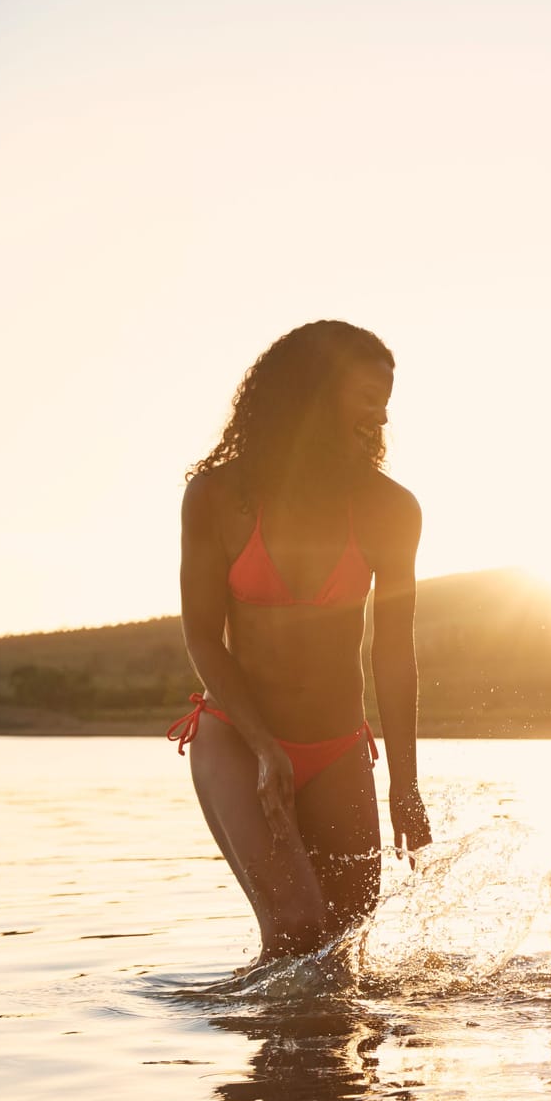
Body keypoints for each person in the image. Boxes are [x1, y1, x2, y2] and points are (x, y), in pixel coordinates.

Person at [171, 320, 432, 965]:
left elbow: (394, 654)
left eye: (386, 402)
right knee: (294, 929)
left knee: (341, 953)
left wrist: (405, 784)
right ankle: (262, 1058)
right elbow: (203, 634)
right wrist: (264, 746)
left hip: (338, 747)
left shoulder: (389, 507)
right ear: (310, 394)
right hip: (236, 735)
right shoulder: (218, 498)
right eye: (367, 397)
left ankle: (312, 1062)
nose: (380, 417)